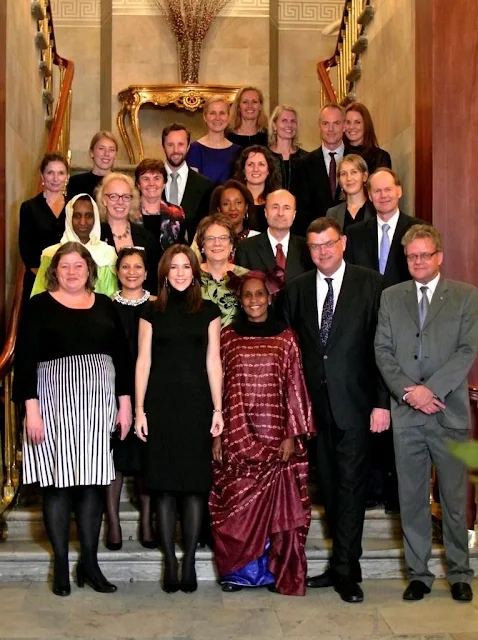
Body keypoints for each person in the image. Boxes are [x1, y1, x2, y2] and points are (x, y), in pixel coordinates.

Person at [14, 242, 132, 596]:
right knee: (57, 484)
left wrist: (124, 404)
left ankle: (91, 565)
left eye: (77, 266)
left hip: (98, 404)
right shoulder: (39, 306)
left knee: (93, 483)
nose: (71, 272)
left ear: (89, 270)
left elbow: (123, 359)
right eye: (64, 266)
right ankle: (63, 566)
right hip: (53, 403)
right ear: (55, 271)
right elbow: (25, 362)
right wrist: (30, 409)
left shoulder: (107, 306)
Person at [284, 217, 390, 603]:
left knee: (351, 485)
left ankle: (345, 569)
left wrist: (381, 403)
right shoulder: (295, 290)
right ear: (307, 250)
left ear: (342, 242)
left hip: (358, 406)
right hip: (315, 409)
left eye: (328, 244)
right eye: (314, 247)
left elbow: (381, 349)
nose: (322, 252)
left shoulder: (371, 284)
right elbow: (292, 354)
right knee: (329, 486)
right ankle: (345, 562)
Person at [375, 224, 478, 603]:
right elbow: (382, 351)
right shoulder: (390, 297)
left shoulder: (466, 297)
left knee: (453, 499)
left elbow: (467, 351)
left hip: (448, 413)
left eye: (424, 255)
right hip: (407, 415)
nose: (418, 262)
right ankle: (418, 574)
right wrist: (411, 394)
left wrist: (431, 391)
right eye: (411, 256)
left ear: (439, 256)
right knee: (412, 498)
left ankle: (460, 572)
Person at [210, 271, 315, 596]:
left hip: (277, 439)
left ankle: (273, 572)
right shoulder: (227, 337)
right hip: (237, 435)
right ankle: (239, 574)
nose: (254, 301)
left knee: (277, 509)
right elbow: (219, 388)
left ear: (269, 298)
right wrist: (217, 434)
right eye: (247, 296)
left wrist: (291, 435)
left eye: (259, 295)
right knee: (236, 507)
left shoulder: (286, 338)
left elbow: (295, 386)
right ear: (239, 301)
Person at [135, 245, 223, 593]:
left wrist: (218, 409)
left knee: (194, 486)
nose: (181, 272)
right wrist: (140, 410)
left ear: (195, 271)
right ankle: (170, 559)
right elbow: (143, 362)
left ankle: (189, 562)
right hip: (160, 404)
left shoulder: (209, 311)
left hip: (197, 404)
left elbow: (213, 362)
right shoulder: (150, 311)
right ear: (165, 273)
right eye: (174, 267)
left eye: (186, 266)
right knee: (164, 486)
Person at [106, 248, 157, 551]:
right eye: (125, 266)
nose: (132, 272)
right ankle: (112, 520)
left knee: (147, 456)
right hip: (112, 387)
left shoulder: (156, 306)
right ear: (117, 271)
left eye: (138, 266)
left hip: (151, 389)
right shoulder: (106, 306)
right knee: (113, 456)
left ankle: (147, 520)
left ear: (147, 272)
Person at [31, 194, 117, 297]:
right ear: (69, 217)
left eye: (88, 216)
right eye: (77, 216)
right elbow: (38, 297)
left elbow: (113, 298)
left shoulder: (107, 254)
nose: (82, 222)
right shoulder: (51, 254)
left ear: (96, 218)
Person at [292, 104, 349, 236]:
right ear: (319, 126)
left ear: (344, 126)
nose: (330, 129)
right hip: (317, 240)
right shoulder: (303, 164)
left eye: (336, 123)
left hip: (352, 240)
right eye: (325, 123)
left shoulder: (358, 159)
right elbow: (301, 211)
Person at [235, 189, 311, 287]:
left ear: (294, 214)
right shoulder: (246, 248)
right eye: (275, 207)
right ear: (266, 212)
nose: (280, 213)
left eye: (286, 208)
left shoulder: (306, 247)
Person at [97, 172, 159, 292]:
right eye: (113, 196)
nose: (120, 202)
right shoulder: (94, 236)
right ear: (104, 200)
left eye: (126, 197)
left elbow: (154, 279)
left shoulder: (147, 237)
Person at [19, 152, 68, 300]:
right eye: (50, 172)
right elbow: (26, 249)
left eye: (60, 173)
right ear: (42, 176)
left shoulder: (74, 207)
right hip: (38, 280)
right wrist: (47, 279)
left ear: (66, 176)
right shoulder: (29, 207)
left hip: (68, 283)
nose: (55, 178)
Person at [161, 123, 213, 242]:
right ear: (163, 146)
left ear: (188, 147)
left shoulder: (205, 185)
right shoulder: (151, 183)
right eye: (170, 145)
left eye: (181, 144)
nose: (175, 150)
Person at [196, 214, 248, 327]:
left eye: (223, 238)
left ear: (231, 244)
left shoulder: (247, 277)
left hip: (237, 342)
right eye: (210, 238)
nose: (217, 243)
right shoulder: (190, 276)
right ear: (202, 246)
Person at [134, 158, 186, 256]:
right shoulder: (129, 213)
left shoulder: (176, 213)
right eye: (146, 179)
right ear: (138, 184)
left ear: (164, 183)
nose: (151, 184)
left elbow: (181, 249)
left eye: (157, 178)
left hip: (168, 269)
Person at [186, 96, 241, 185]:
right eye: (212, 113)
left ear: (228, 117)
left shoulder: (237, 151)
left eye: (222, 113)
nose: (217, 118)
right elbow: (193, 186)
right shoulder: (194, 149)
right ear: (205, 117)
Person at [233, 145, 280, 232]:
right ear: (243, 170)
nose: (256, 169)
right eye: (251, 164)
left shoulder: (277, 201)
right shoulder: (233, 201)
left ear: (268, 170)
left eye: (261, 164)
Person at [326, 154, 375, 232]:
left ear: (365, 176)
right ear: (339, 181)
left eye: (354, 172)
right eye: (343, 174)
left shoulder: (375, 209)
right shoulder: (332, 213)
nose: (349, 178)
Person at [268, 105, 308, 194]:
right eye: (284, 121)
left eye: (293, 121)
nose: (289, 125)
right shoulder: (265, 157)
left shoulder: (306, 158)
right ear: (274, 125)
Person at [67, 131, 118, 200]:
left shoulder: (122, 183)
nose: (107, 154)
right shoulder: (76, 182)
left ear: (116, 154)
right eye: (101, 148)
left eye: (111, 150)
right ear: (91, 153)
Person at [344, 103, 392, 175]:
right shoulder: (337, 155)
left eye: (357, 122)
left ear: (366, 124)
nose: (352, 127)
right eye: (348, 122)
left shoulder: (380, 157)